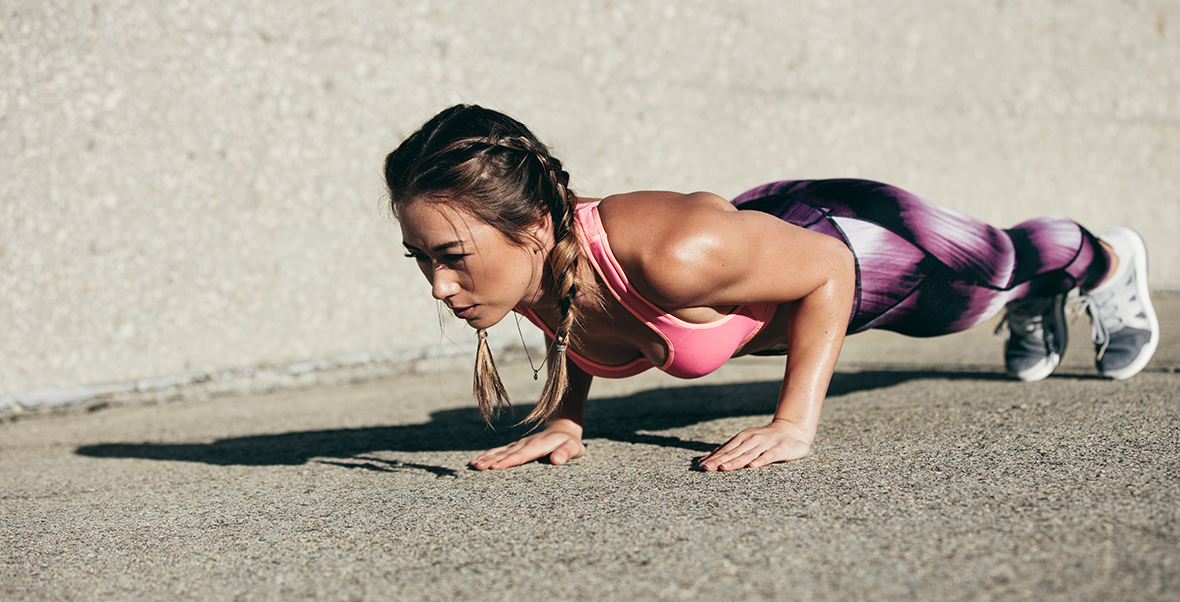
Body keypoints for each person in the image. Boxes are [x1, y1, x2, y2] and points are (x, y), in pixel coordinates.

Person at [384, 104, 1160, 472]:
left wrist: (794, 424)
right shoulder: (526, 267)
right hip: (776, 242)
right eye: (421, 258)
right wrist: (565, 420)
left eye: (451, 255)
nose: (437, 284)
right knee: (993, 289)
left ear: (529, 227)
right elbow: (577, 315)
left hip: (856, 240)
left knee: (988, 281)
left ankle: (1109, 262)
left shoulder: (676, 251)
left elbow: (831, 270)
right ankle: (1038, 297)